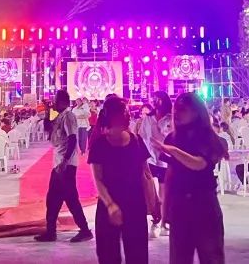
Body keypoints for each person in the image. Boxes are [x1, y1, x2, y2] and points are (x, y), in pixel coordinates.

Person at [152, 92, 226, 264]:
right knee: (179, 258)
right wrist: (165, 209)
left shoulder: (209, 138)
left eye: (182, 110)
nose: (176, 113)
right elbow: (170, 175)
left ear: (196, 112)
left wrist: (172, 151)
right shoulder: (172, 138)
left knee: (211, 257)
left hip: (204, 204)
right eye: (175, 109)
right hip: (179, 205)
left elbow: (199, 164)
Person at [89, 96, 159, 264]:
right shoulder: (100, 144)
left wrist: (154, 202)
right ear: (112, 116)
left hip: (135, 206)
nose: (128, 115)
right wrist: (111, 205)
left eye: (127, 111)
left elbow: (146, 174)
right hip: (108, 209)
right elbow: (98, 179)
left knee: (138, 256)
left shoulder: (136, 141)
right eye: (124, 112)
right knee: (108, 256)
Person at [34, 89, 94, 243]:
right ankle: (51, 231)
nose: (53, 103)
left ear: (62, 102)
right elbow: (48, 128)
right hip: (59, 163)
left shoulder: (68, 116)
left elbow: (72, 139)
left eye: (55, 101)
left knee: (70, 198)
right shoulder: (60, 116)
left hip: (65, 164)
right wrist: (48, 112)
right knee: (53, 198)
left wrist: (65, 161)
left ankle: (84, 230)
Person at [137, 91, 172, 239]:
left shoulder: (171, 118)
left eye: (158, 99)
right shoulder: (148, 118)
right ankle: (155, 220)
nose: (155, 101)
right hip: (150, 159)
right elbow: (142, 136)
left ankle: (164, 222)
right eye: (154, 98)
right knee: (151, 192)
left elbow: (172, 136)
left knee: (164, 192)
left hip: (165, 159)